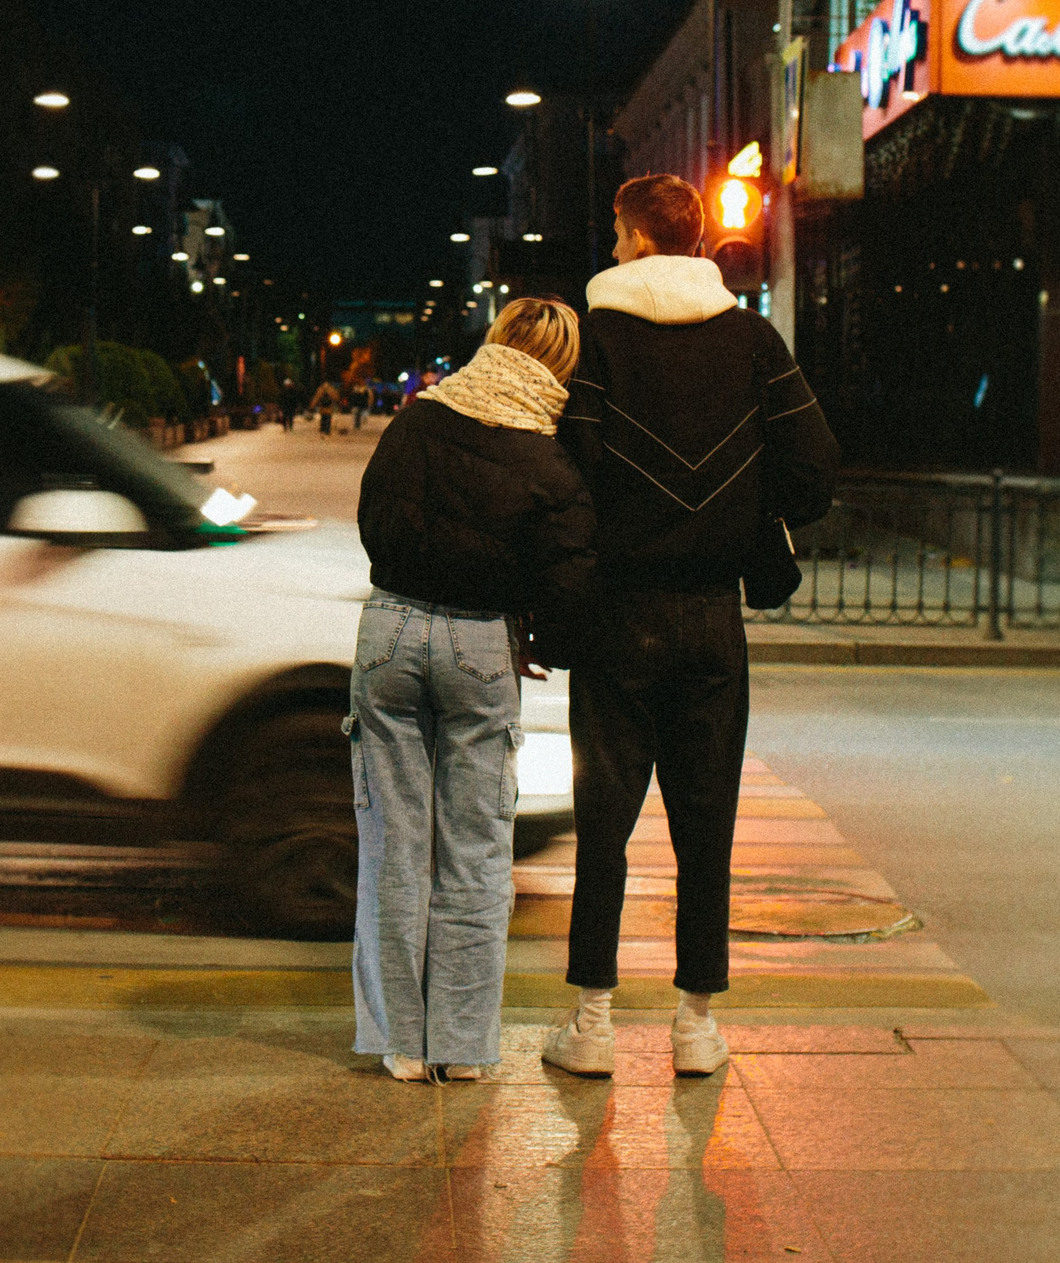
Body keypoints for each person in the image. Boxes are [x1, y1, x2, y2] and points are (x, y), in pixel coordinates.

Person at [541, 174, 836, 1080]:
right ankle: (696, 1025)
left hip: (616, 615)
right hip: (713, 616)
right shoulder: (751, 340)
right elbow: (814, 468)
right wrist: (748, 513)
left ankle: (592, 1022)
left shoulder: (595, 342)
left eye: (618, 231)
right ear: (697, 238)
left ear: (635, 236)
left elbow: (563, 473)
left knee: (604, 822)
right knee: (706, 824)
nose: (615, 245)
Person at [350, 300, 595, 1082]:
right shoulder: (549, 459)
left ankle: (401, 1043)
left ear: (494, 342)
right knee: (478, 849)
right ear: (561, 366)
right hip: (482, 642)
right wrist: (539, 642)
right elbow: (571, 578)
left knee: (393, 845)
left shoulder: (418, 419)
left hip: (388, 629)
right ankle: (459, 1047)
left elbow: (373, 518)